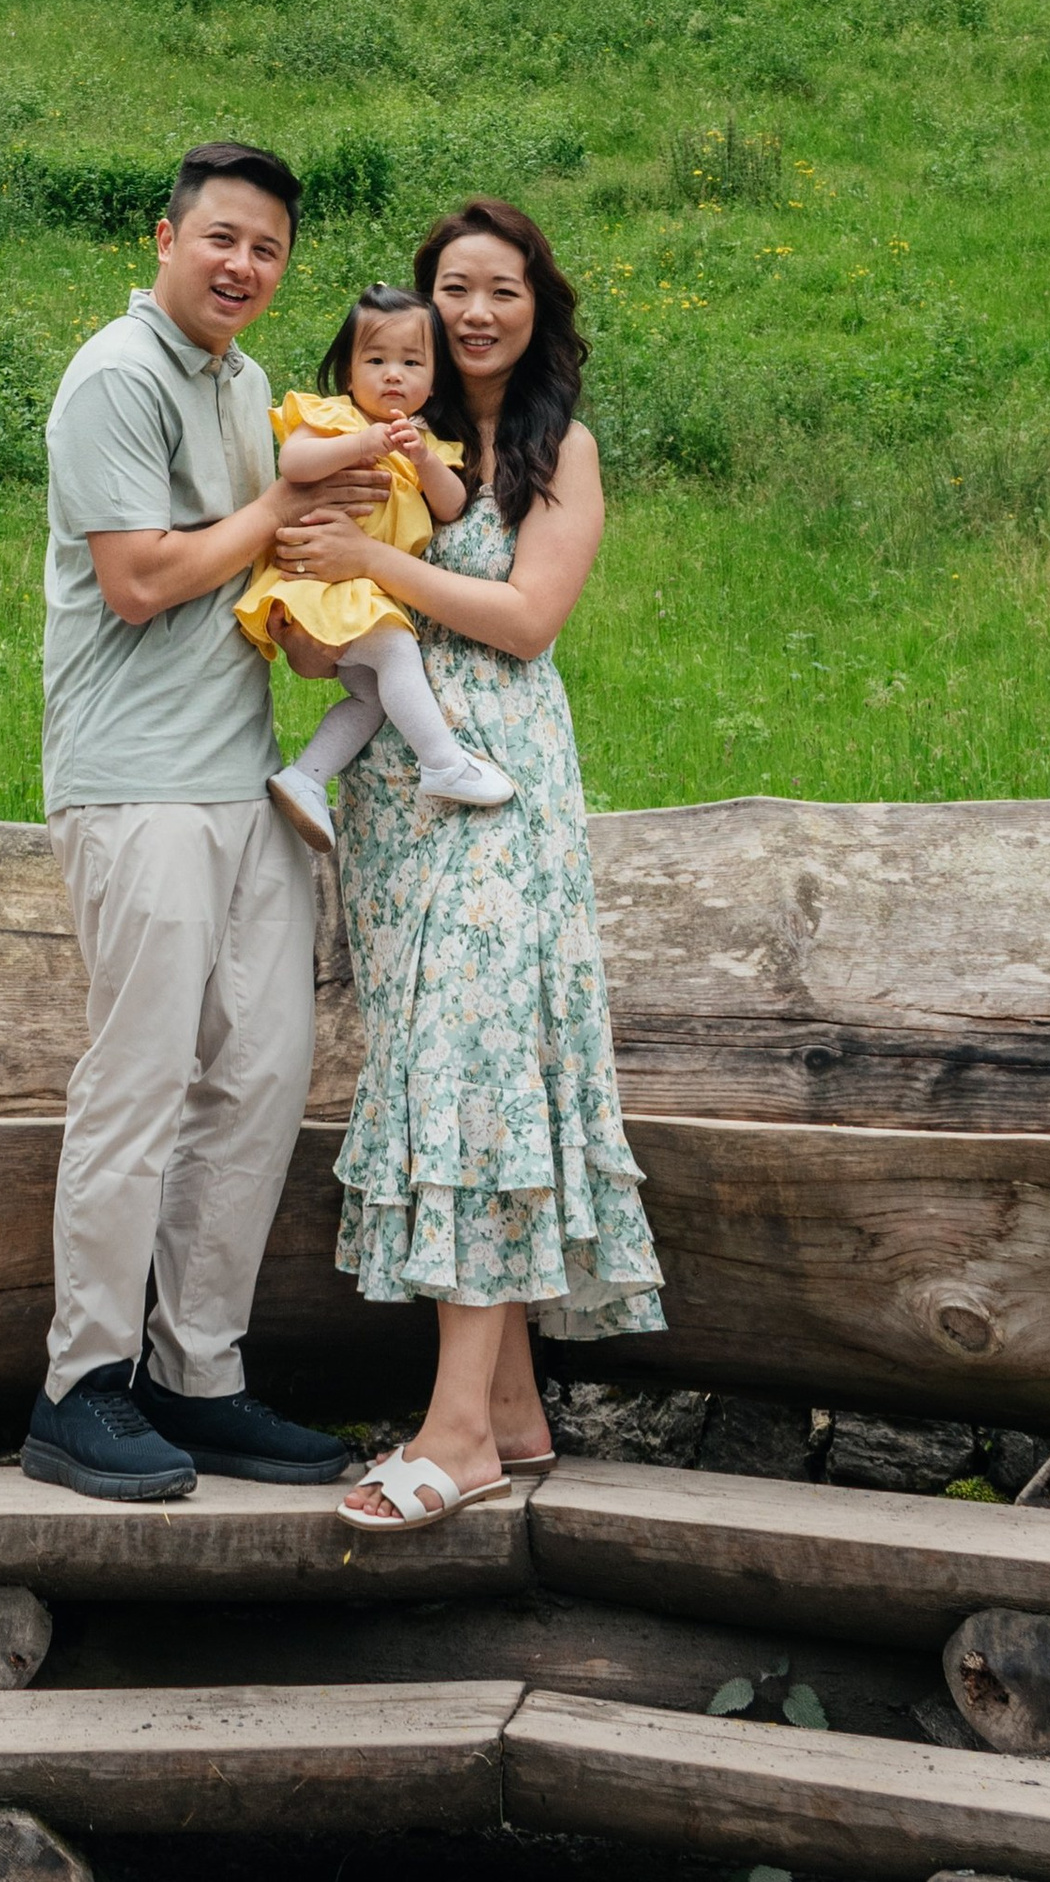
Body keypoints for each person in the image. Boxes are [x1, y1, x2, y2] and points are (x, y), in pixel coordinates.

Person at [271, 196, 664, 1534]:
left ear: (538, 307)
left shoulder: (563, 451)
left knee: (473, 1066)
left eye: (503, 287)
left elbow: (527, 617)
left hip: (501, 797)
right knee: (442, 1064)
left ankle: (456, 1438)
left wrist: (377, 554)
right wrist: (325, 580)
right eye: (455, 288)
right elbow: (322, 642)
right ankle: (509, 1409)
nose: (478, 309)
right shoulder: (392, 444)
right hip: (392, 807)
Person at [28, 139, 356, 1505]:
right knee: (142, 1074)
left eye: (268, 248)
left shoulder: (238, 391)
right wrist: (281, 507)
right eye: (221, 236)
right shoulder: (118, 370)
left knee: (263, 1073)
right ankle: (78, 1386)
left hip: (242, 779)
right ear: (163, 234)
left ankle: (195, 1374)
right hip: (133, 782)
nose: (242, 264)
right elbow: (141, 577)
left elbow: (254, 578)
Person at [241, 284, 514, 852]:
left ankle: (307, 777)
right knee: (394, 649)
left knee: (370, 698)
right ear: (347, 373)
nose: (393, 375)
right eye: (375, 360)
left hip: (363, 588)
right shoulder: (336, 417)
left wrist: (416, 456)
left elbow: (451, 506)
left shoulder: (425, 442)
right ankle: (442, 763)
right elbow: (293, 460)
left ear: (433, 381)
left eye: (411, 362)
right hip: (322, 582)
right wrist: (360, 442)